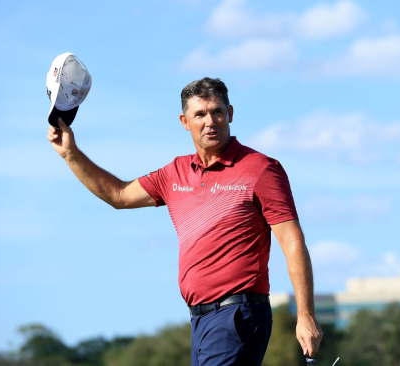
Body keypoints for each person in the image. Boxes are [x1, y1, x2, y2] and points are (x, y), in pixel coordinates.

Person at [47, 77, 322, 365]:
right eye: (200, 114)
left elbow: (292, 241)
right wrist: (70, 153)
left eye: (217, 112)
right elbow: (119, 195)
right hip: (199, 321)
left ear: (230, 113)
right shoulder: (174, 172)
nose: (210, 121)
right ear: (184, 121)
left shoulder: (262, 169)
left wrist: (305, 315)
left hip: (238, 315)